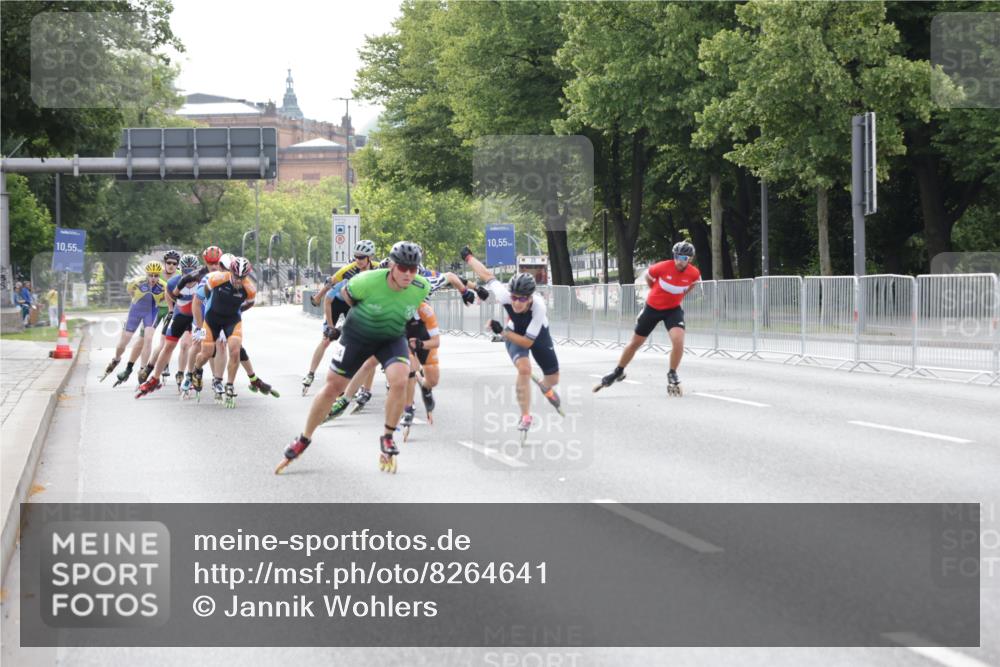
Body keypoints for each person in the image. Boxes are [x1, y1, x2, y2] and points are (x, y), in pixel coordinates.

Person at [277, 241, 431, 474]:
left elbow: (416, 311)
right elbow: (346, 298)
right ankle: (304, 439)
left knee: (399, 380)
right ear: (392, 267)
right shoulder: (365, 281)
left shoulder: (421, 286)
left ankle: (387, 437)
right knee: (333, 387)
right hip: (358, 335)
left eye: (413, 269)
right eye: (403, 268)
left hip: (391, 337)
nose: (408, 274)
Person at [461, 245, 563, 442]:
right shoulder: (504, 294)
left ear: (531, 298)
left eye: (522, 299)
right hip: (515, 331)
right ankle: (526, 416)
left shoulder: (538, 308)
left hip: (538, 335)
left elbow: (527, 341)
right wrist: (468, 257)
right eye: (514, 297)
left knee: (554, 379)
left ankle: (545, 386)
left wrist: (503, 332)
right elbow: (486, 274)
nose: (516, 302)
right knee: (524, 370)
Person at [595, 240, 701, 396]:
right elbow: (648, 276)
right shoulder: (662, 267)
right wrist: (655, 290)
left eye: (684, 258)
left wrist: (679, 296)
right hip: (652, 308)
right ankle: (619, 370)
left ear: (690, 259)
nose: (679, 261)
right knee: (635, 343)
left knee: (678, 340)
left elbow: (693, 284)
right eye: (677, 256)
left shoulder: (693, 273)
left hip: (673, 310)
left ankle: (672, 372)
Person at [302, 240, 377, 395]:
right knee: (326, 340)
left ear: (370, 257)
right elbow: (328, 297)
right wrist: (330, 326)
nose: (358, 260)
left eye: (362, 257)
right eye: (356, 256)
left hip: (354, 304)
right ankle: (310, 373)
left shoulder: (378, 268)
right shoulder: (348, 271)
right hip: (337, 302)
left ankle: (356, 382)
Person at [101, 263, 167, 384]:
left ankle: (142, 369)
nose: (153, 278)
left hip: (151, 312)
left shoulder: (164, 286)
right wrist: (135, 300)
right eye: (150, 275)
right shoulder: (136, 282)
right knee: (123, 342)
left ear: (159, 275)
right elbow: (130, 291)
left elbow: (164, 298)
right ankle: (116, 359)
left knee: (148, 338)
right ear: (146, 274)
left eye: (156, 275)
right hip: (135, 311)